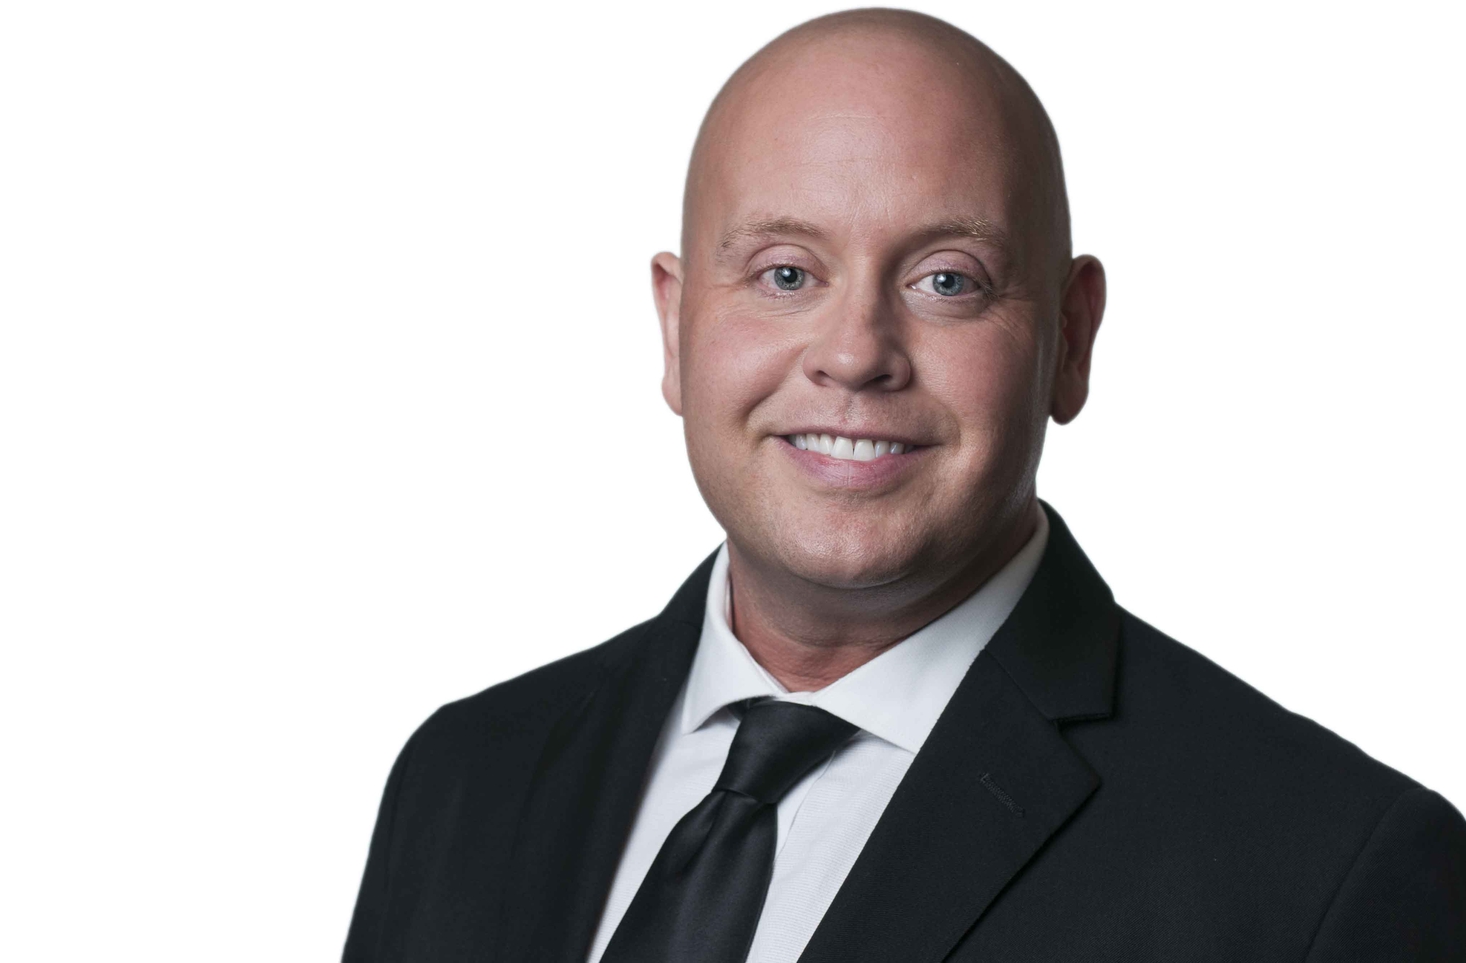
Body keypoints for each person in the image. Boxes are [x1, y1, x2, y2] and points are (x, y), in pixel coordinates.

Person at [341, 8, 1466, 961]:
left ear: (1071, 340)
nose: (854, 353)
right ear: (676, 330)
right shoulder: (463, 777)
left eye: (946, 281)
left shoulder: (1329, 876)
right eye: (786, 272)